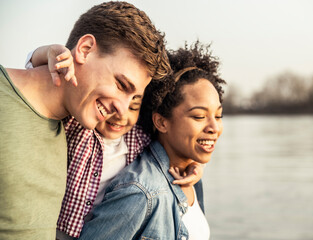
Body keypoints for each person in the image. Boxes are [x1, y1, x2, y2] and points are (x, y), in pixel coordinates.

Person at [0, 1, 170, 239]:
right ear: (85, 49)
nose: (122, 109)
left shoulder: (80, 125)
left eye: (133, 98)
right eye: (121, 85)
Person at [26, 45, 203, 240]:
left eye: (133, 107)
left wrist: (194, 166)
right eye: (118, 99)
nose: (120, 114)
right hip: (53, 232)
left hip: (102, 228)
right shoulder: (78, 126)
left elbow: (168, 150)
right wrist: (48, 53)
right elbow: (39, 76)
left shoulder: (138, 138)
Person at [79, 42, 226, 240]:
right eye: (199, 116)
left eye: (218, 116)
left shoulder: (191, 176)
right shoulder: (140, 193)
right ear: (161, 121)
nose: (214, 128)